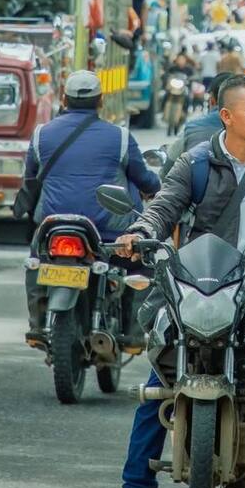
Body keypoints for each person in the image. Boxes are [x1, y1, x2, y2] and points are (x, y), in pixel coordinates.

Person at [113, 75, 245, 488]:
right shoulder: (194, 163)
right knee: (161, 378)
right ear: (226, 116)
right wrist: (140, 232)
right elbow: (164, 208)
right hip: (203, 285)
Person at [22, 71, 160, 347]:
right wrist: (155, 188)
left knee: (37, 260)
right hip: (107, 230)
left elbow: (30, 177)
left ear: (64, 100)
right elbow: (144, 179)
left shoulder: (41, 135)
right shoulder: (120, 137)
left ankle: (37, 324)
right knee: (140, 262)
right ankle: (133, 334)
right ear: (100, 101)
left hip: (54, 227)